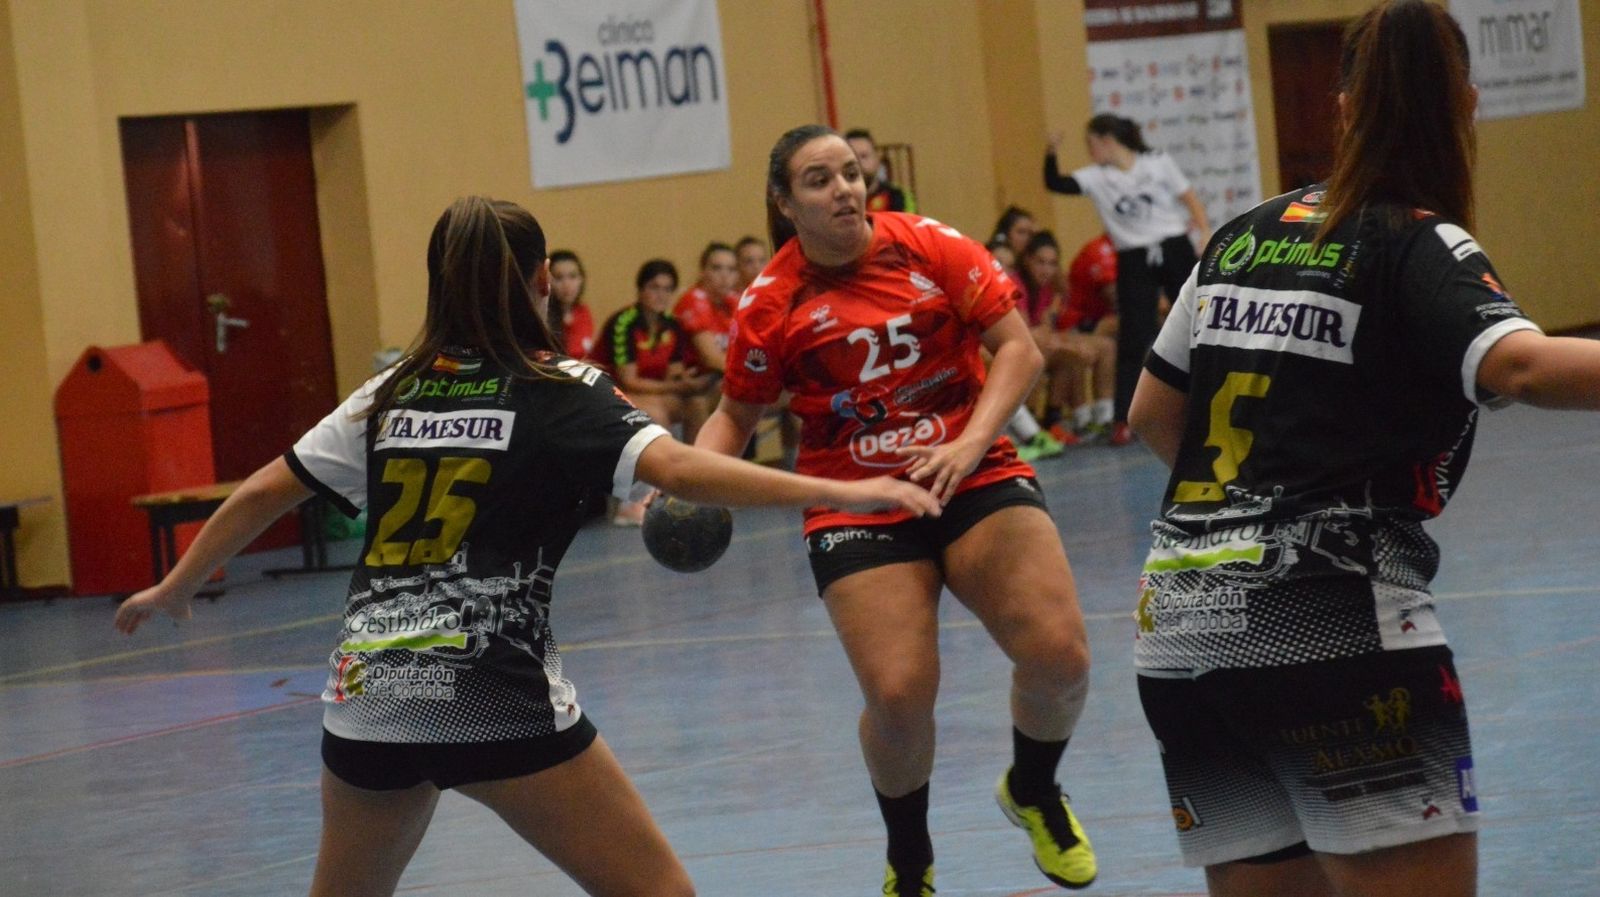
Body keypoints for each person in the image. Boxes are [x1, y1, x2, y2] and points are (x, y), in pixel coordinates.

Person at [112, 196, 940, 897]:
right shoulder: (558, 390)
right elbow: (684, 468)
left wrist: (179, 584)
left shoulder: (390, 392)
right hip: (491, 692)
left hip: (371, 696)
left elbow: (263, 487)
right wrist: (841, 487)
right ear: (543, 281)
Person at [1125, 4, 1600, 896]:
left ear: (1343, 107)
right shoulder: (1418, 241)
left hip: (1183, 632)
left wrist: (1248, 510)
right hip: (1333, 628)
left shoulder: (1238, 236)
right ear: (1465, 101)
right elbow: (1524, 366)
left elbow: (1152, 413)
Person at [694, 125, 1095, 896]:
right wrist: (683, 480)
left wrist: (971, 443)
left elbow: (1019, 349)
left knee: (1060, 656)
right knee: (900, 694)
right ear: (784, 202)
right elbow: (735, 418)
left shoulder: (931, 246)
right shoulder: (770, 302)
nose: (844, 188)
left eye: (851, 172)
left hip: (968, 469)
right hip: (858, 497)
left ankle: (1035, 789)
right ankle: (910, 857)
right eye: (819, 180)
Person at [1045, 114, 1209, 446]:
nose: (1089, 152)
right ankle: (1124, 418)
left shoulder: (1157, 163)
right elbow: (1056, 184)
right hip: (1134, 256)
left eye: (1091, 144)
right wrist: (1050, 154)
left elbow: (1188, 196)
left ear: (1107, 140)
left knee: (1200, 319)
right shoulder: (1096, 177)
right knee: (1135, 335)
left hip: (1173, 245)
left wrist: (1203, 229)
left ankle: (1207, 404)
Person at [593, 260, 711, 527]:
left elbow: (674, 374)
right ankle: (636, 501)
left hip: (652, 392)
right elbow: (629, 380)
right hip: (610, 396)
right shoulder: (624, 323)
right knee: (655, 414)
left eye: (668, 289)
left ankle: (694, 486)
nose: (661, 295)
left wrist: (690, 382)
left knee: (696, 404)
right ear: (640, 290)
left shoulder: (672, 325)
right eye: (654, 287)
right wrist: (675, 386)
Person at [1056, 235, 1118, 440]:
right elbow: (1114, 295)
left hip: (1097, 319)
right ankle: (1082, 416)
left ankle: (1105, 415)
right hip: (1079, 323)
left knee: (1112, 341)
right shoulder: (1100, 250)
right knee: (1111, 332)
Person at [674, 242, 739, 375]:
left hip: (727, 375)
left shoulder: (736, 301)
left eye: (731, 269)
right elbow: (712, 359)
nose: (724, 275)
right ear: (703, 272)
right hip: (698, 378)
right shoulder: (693, 301)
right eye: (716, 268)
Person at [845, 128, 917, 214]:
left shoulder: (899, 196)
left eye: (864, 156)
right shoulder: (841, 200)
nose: (858, 163)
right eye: (853, 157)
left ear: (876, 159)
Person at [548, 249, 595, 359]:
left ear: (581, 279)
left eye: (573, 276)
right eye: (558, 278)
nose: (567, 285)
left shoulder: (583, 312)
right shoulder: (543, 316)